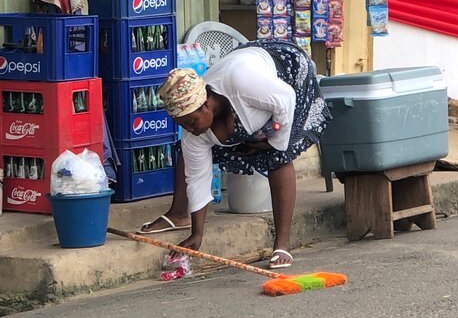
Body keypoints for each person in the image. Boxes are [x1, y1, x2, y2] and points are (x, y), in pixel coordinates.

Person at [138, 40, 331, 269]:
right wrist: (197, 235)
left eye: (190, 122)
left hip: (285, 71)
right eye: (183, 125)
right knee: (188, 152)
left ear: (206, 106)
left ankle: (282, 245)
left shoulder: (242, 83)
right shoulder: (194, 131)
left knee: (278, 158)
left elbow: (285, 98)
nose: (189, 129)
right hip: (250, 89)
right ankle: (180, 214)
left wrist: (273, 142)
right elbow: (198, 179)